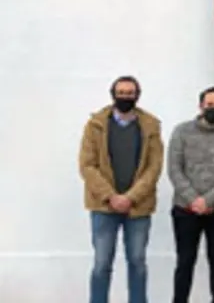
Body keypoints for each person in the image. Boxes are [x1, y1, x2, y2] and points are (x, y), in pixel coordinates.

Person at [78, 75, 164, 303]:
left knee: (137, 262)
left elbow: (154, 167)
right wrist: (111, 196)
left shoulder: (151, 126)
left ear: (137, 95)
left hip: (138, 208)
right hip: (103, 207)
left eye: (130, 93)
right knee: (101, 264)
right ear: (113, 94)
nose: (125, 96)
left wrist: (130, 197)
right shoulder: (95, 125)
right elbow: (87, 165)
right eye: (121, 92)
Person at [167, 87, 214, 303]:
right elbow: (174, 168)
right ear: (201, 106)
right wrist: (194, 199)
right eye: (210, 105)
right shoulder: (181, 131)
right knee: (185, 262)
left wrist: (209, 200)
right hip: (185, 208)